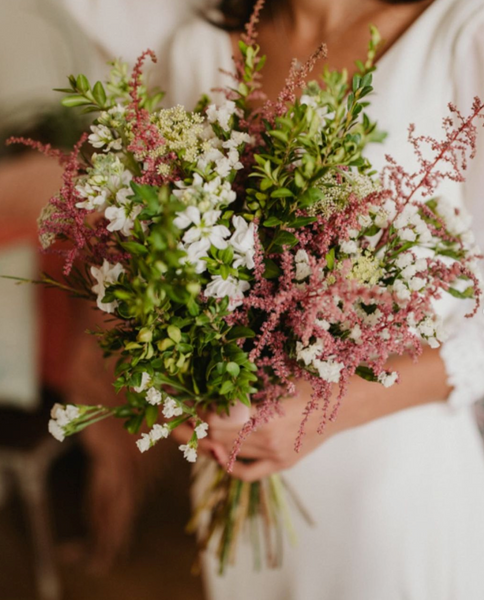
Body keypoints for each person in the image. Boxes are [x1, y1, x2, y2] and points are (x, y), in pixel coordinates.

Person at [167, 0, 484, 598]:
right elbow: (161, 251)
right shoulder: (198, 48)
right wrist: (176, 387)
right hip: (236, 468)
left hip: (391, 487)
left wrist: (326, 413)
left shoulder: (462, 31)